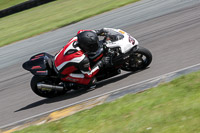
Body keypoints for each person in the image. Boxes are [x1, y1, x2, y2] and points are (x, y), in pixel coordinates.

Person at [54, 28, 123, 89]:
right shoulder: (81, 58)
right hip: (63, 73)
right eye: (94, 44)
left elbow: (83, 32)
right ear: (87, 46)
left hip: (58, 58)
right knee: (91, 81)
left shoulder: (78, 38)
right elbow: (89, 74)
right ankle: (70, 84)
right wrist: (102, 62)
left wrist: (99, 31)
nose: (97, 44)